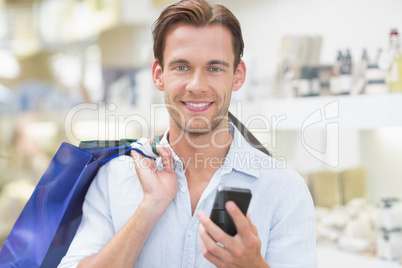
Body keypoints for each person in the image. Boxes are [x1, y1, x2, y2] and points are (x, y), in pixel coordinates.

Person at [59, 0, 317, 267]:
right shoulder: (115, 179)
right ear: (159, 75)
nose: (196, 85)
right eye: (181, 67)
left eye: (214, 68)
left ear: (238, 76)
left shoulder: (285, 190)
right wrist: (149, 208)